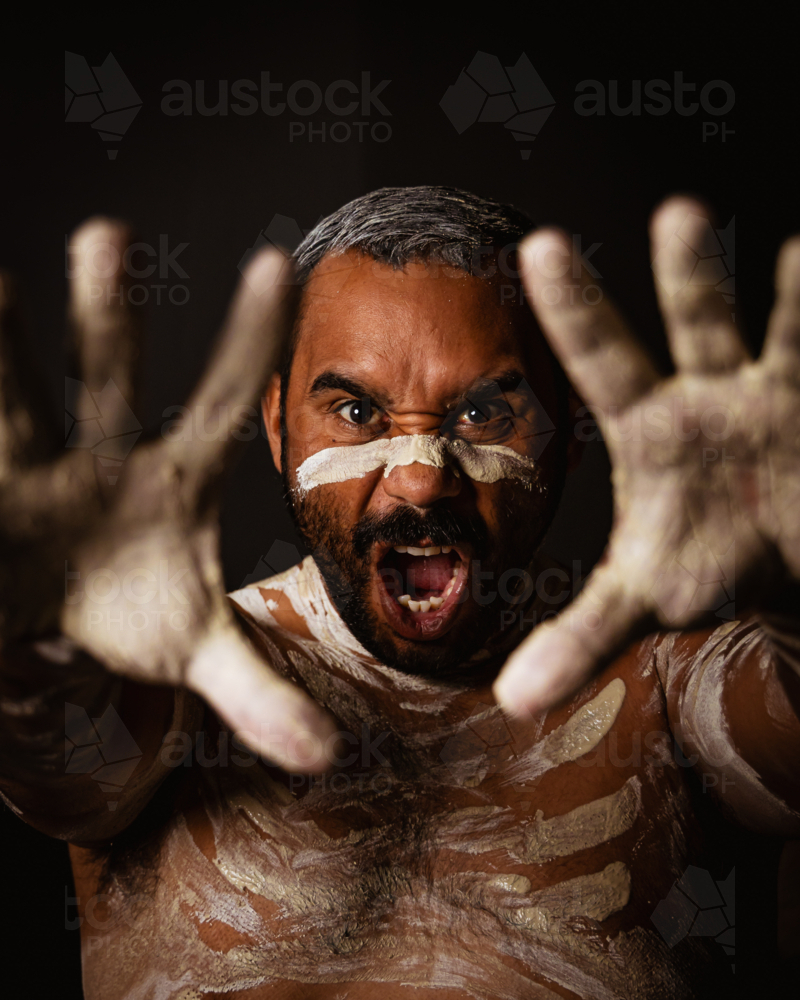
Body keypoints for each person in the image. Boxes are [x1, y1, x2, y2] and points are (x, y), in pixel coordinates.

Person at [1, 186, 798, 999]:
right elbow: (62, 754)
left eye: (485, 412)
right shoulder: (173, 686)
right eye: (356, 411)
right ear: (278, 429)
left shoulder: (666, 687)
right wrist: (36, 651)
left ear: (570, 435)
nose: (420, 480)